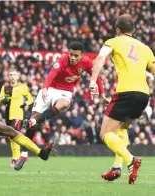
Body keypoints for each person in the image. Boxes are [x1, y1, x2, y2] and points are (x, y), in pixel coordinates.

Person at [14, 42, 110, 171]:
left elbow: (96, 77)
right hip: (50, 88)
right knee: (33, 125)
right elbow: (52, 74)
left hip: (65, 92)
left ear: (82, 55)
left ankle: (34, 121)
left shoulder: (87, 62)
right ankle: (24, 154)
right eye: (71, 54)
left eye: (76, 55)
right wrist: (44, 88)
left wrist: (103, 95)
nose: (72, 57)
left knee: (64, 104)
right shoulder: (62, 59)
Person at [89, 14, 155, 184]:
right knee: (122, 128)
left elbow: (101, 58)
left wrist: (92, 81)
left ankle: (131, 160)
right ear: (133, 30)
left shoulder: (113, 41)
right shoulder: (145, 48)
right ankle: (117, 167)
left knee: (105, 133)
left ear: (117, 30)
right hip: (143, 95)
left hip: (126, 93)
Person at [0, 68, 33, 167]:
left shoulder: (23, 87)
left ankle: (15, 158)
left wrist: (25, 104)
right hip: (8, 115)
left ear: (17, 76)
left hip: (18, 115)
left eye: (14, 74)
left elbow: (30, 99)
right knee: (12, 137)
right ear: (9, 77)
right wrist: (3, 100)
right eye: (10, 74)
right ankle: (24, 153)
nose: (12, 76)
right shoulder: (5, 87)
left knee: (13, 136)